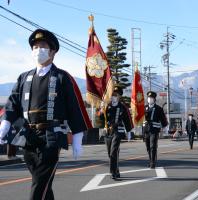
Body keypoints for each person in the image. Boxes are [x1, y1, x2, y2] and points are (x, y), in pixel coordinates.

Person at [0, 29, 92, 200]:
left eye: (42, 46)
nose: (38, 50)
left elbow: (74, 108)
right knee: (43, 185)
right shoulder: (23, 78)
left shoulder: (62, 78)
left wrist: (78, 138)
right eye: (34, 47)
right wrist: (4, 125)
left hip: (51, 137)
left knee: (39, 185)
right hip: (28, 138)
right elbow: (12, 103)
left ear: (52, 51)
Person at [102, 86, 133, 179]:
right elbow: (100, 118)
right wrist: (101, 109)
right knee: (110, 153)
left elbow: (128, 120)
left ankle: (113, 172)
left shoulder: (123, 107)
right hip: (108, 132)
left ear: (119, 96)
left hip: (118, 131)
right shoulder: (107, 105)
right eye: (112, 94)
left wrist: (129, 132)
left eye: (115, 95)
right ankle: (117, 170)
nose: (113, 96)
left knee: (113, 151)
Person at [143, 91, 168, 168]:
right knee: (148, 147)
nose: (149, 99)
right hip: (146, 130)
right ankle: (151, 160)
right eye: (148, 98)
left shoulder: (158, 109)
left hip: (154, 131)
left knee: (152, 146)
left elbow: (163, 121)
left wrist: (164, 126)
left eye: (151, 98)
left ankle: (152, 162)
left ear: (154, 99)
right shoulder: (144, 108)